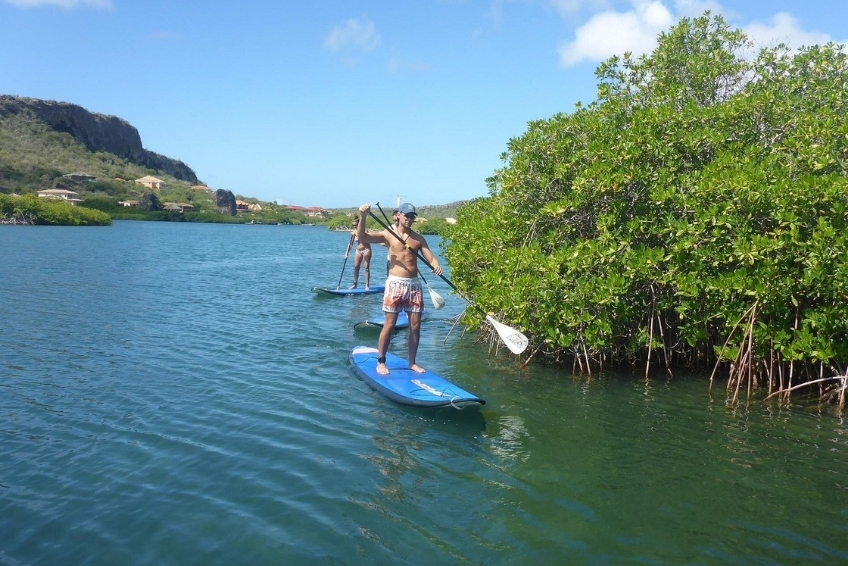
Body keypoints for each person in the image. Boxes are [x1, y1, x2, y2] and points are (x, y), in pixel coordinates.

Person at [356, 202, 443, 375]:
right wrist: (363, 216)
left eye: (412, 216)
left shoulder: (418, 238)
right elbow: (363, 238)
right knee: (389, 324)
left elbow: (430, 257)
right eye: (407, 215)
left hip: (414, 285)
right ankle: (381, 362)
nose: (409, 219)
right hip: (395, 283)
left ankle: (412, 362)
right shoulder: (388, 235)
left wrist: (436, 265)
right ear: (399, 215)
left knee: (415, 326)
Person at [344, 216, 372, 289]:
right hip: (358, 250)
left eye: (356, 225)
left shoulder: (364, 230)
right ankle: (355, 284)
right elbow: (350, 244)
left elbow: (367, 237)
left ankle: (367, 285)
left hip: (366, 249)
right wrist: (347, 253)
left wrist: (360, 237)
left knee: (366, 268)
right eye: (353, 225)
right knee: (356, 267)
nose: (354, 227)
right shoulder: (354, 232)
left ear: (359, 224)